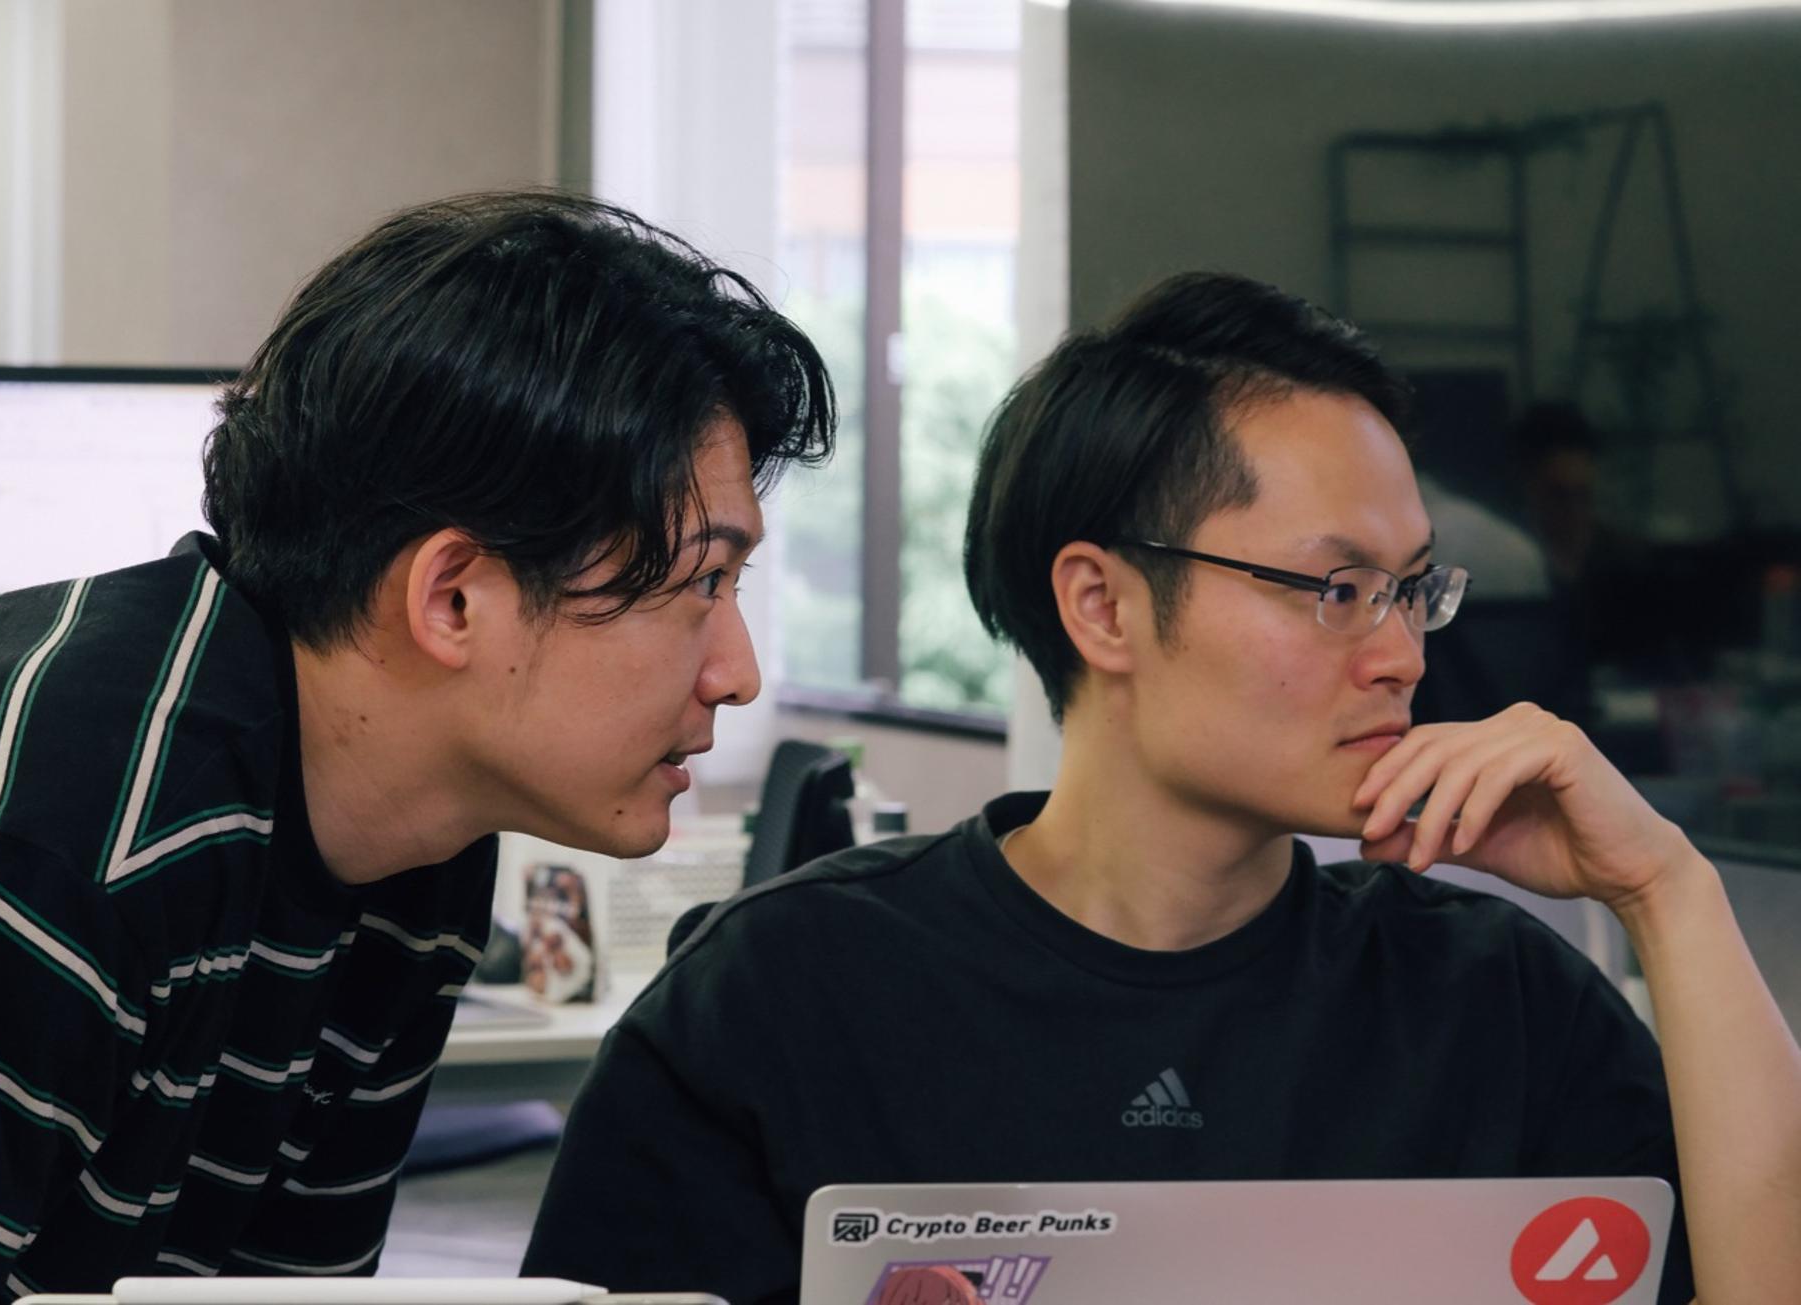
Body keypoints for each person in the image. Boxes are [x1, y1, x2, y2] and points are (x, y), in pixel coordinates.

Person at [522, 273, 1801, 1304]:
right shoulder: (787, 991)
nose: (1403, 654)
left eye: (1411, 588)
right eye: (1335, 588)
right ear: (1102, 606)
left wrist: (1664, 887)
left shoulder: (1490, 999)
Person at [0, 191, 831, 1301]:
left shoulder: (415, 833)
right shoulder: (45, 837)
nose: (737, 672)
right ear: (453, 599)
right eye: (702, 581)